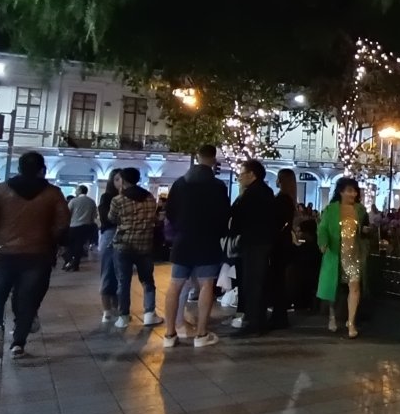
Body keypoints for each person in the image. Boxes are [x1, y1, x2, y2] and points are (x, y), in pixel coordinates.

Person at [0, 152, 69, 359]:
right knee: (27, 299)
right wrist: (49, 239)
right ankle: (18, 344)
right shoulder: (53, 193)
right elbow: (62, 223)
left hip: (4, 253)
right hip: (38, 254)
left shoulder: (0, 190)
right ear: (40, 169)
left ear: (18, 168)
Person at [162, 145, 229, 348]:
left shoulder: (180, 184)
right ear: (213, 159)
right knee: (206, 285)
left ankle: (169, 334)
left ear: (197, 157)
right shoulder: (217, 186)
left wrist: (180, 228)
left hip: (183, 241)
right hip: (207, 241)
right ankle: (201, 334)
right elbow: (224, 215)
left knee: (175, 285)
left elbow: (170, 212)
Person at [316, 178, 369, 337]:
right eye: (349, 190)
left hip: (354, 255)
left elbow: (363, 229)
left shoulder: (360, 209)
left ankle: (351, 323)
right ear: (341, 192)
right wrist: (323, 243)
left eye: (354, 190)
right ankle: (332, 316)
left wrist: (366, 231)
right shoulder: (331, 209)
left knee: (355, 287)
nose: (353, 194)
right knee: (334, 288)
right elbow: (322, 228)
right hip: (335, 254)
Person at [109, 167, 162, 329]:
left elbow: (111, 218)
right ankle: (149, 313)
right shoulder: (150, 198)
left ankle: (123, 316)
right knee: (147, 280)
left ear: (123, 181)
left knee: (123, 282)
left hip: (123, 244)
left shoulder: (118, 200)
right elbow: (154, 217)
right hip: (145, 245)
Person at [230, 159, 276, 337]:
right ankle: (258, 320)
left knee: (252, 282)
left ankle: (253, 322)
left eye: (241, 175)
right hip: (262, 242)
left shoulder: (251, 194)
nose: (239, 178)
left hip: (253, 243)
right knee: (258, 281)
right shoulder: (267, 191)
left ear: (251, 175)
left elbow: (238, 217)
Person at [270, 169, 299, 330]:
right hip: (285, 242)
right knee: (280, 280)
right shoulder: (289, 199)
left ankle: (279, 317)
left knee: (278, 280)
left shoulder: (282, 199)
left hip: (279, 243)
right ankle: (279, 315)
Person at [97, 170, 123, 323]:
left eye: (122, 179)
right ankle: (107, 310)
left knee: (121, 274)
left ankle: (118, 307)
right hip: (110, 235)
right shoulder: (107, 197)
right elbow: (107, 219)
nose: (120, 182)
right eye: (117, 179)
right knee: (108, 272)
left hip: (122, 235)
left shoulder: (126, 198)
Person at [64, 185, 98, 271]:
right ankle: (76, 264)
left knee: (69, 245)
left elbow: (67, 213)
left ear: (80, 191)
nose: (75, 192)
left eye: (76, 190)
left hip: (73, 226)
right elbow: (94, 215)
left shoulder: (74, 201)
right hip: (86, 226)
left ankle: (70, 261)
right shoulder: (92, 202)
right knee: (79, 245)